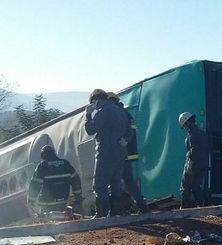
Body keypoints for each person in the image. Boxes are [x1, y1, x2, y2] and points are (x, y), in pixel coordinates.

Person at [84, 88, 129, 217]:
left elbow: (91, 130)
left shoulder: (103, 112)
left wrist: (88, 115)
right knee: (116, 183)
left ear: (96, 101)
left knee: (100, 184)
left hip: (106, 152)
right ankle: (116, 212)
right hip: (120, 152)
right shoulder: (120, 111)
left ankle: (101, 214)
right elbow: (128, 129)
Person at [107, 92, 148, 213]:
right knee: (128, 181)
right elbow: (133, 127)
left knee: (115, 181)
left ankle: (118, 209)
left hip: (120, 153)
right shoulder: (125, 113)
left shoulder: (116, 113)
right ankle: (140, 205)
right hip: (128, 153)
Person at [27, 145, 82, 215]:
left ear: (43, 155)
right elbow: (76, 181)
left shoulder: (42, 166)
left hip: (46, 205)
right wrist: (78, 196)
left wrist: (31, 200)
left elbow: (35, 185)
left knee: (44, 220)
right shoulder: (66, 164)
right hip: (63, 203)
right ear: (54, 153)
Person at [178, 112, 209, 208]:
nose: (185, 128)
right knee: (196, 187)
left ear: (187, 123)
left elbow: (193, 150)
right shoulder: (201, 132)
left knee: (185, 187)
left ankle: (183, 209)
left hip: (193, 164)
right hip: (202, 164)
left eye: (184, 125)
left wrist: (189, 164)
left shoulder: (192, 134)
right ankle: (201, 207)